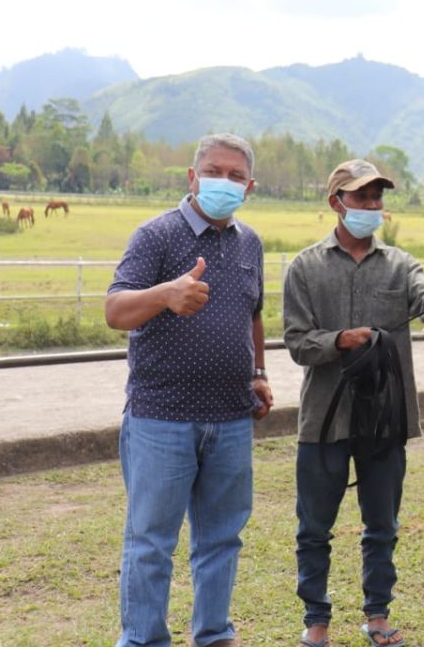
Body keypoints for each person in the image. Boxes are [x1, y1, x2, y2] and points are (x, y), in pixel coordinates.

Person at [283, 159, 424, 647]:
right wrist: (340, 341)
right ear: (337, 203)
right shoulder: (304, 267)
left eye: (377, 198)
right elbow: (297, 343)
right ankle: (316, 620)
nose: (372, 206)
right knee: (314, 528)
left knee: (382, 526)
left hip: (385, 420)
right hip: (323, 420)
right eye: (362, 197)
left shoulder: (400, 265)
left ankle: (377, 615)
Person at [104, 133, 273, 647]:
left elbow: (254, 311)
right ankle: (144, 639)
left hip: (230, 419)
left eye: (236, 175)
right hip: (162, 420)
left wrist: (259, 372)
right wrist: (165, 294)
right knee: (151, 542)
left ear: (249, 186)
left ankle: (214, 634)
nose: (225, 181)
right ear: (193, 177)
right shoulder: (156, 236)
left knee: (222, 539)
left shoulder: (250, 243)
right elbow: (115, 311)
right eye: (215, 171)